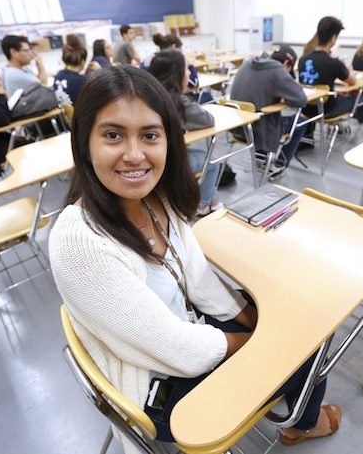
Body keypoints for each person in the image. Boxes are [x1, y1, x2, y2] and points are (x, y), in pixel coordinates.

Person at [48, 65, 341, 453]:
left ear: (168, 139)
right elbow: (177, 349)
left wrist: (249, 316)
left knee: (300, 313)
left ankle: (297, 411)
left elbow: (198, 278)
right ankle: (304, 422)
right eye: (113, 135)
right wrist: (257, 340)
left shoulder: (156, 198)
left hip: (188, 331)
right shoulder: (78, 242)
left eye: (150, 135)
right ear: (84, 142)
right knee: (311, 343)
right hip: (162, 388)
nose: (134, 155)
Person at [148, 49, 223, 216]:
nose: (190, 73)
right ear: (178, 73)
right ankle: (202, 205)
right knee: (210, 162)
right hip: (168, 163)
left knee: (200, 157)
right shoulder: (175, 101)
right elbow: (208, 120)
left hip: (151, 159)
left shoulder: (148, 95)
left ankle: (214, 201)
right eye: (188, 68)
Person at [229, 45, 308, 173]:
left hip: (237, 127)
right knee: (300, 121)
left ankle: (260, 158)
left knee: (262, 112)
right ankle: (279, 165)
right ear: (287, 63)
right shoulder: (277, 70)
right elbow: (301, 99)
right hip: (258, 132)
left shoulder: (248, 63)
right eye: (289, 71)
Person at [298, 16, 360, 127]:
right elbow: (353, 82)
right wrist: (350, 72)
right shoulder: (334, 63)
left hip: (304, 108)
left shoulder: (302, 59)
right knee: (356, 99)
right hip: (326, 110)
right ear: (333, 38)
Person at [53, 34, 88, 105]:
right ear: (82, 61)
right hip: (79, 115)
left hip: (64, 115)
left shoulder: (58, 76)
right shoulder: (83, 81)